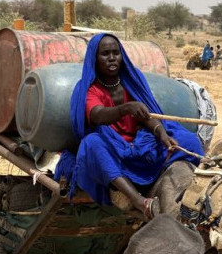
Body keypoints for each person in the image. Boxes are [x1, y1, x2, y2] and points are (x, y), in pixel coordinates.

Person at [55, 33, 204, 220]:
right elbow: (97, 115)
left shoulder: (131, 80)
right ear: (95, 58)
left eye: (116, 53)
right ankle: (140, 202)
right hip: (114, 148)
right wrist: (125, 108)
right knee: (91, 144)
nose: (112, 58)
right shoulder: (89, 88)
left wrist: (160, 133)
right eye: (105, 54)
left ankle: (166, 182)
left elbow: (147, 115)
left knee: (188, 140)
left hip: (139, 143)